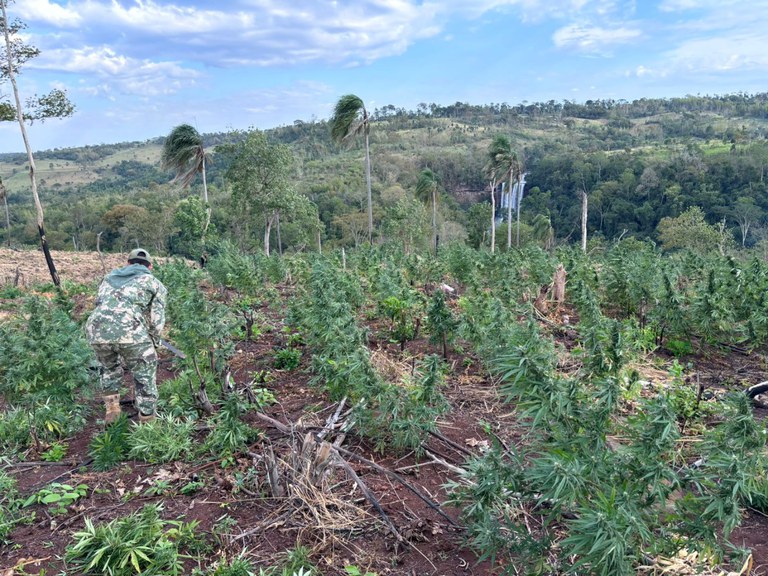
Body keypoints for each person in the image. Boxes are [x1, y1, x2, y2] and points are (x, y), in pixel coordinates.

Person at [86, 248, 167, 424]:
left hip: (97, 330)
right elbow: (157, 318)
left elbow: (101, 304)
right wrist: (154, 340)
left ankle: (112, 412)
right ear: (150, 266)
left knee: (109, 369)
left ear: (128, 263)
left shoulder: (107, 279)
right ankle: (147, 420)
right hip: (131, 333)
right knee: (144, 373)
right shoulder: (154, 283)